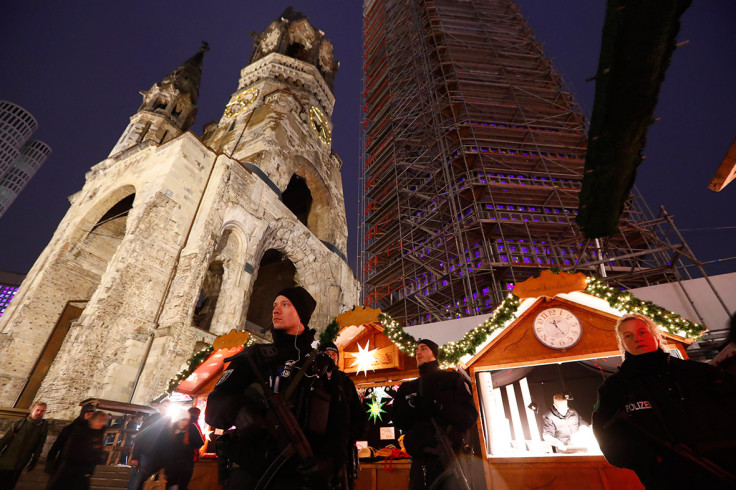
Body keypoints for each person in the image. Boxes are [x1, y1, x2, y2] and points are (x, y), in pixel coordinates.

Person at [206, 286, 348, 489]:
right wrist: (239, 411)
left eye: (285, 304)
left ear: (301, 314)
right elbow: (214, 406)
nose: (276, 310)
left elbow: (339, 424)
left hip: (300, 476)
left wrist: (330, 462)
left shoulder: (322, 365)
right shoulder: (253, 357)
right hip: (250, 474)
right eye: (274, 305)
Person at [592, 313, 736, 489]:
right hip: (666, 481)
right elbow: (607, 436)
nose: (637, 338)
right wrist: (654, 462)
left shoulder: (697, 372)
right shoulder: (614, 388)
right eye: (628, 336)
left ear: (655, 336)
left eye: (642, 332)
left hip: (721, 472)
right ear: (623, 343)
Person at [393, 339, 478, 490]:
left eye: (423, 348)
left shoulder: (453, 380)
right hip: (420, 463)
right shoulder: (407, 387)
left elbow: (469, 417)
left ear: (434, 354)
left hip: (450, 461)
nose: (418, 352)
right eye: (416, 350)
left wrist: (440, 406)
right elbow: (399, 420)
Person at [318, 342, 368, 490]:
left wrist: (348, 435)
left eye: (334, 355)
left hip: (342, 449)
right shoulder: (312, 378)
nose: (331, 357)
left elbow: (358, 414)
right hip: (317, 448)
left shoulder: (345, 382)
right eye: (327, 354)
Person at [45, 410, 109, 490]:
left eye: (104, 421)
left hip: (84, 474)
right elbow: (67, 450)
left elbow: (97, 452)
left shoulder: (98, 435)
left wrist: (99, 458)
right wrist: (50, 460)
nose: (102, 423)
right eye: (100, 420)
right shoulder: (79, 431)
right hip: (68, 471)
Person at [0, 401, 48, 490]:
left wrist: (35, 459)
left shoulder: (42, 427)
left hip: (20, 463)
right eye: (37, 410)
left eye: (42, 411)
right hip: (5, 461)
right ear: (32, 410)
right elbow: (4, 439)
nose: (39, 413)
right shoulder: (19, 424)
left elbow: (40, 445)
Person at [45, 402, 98, 475]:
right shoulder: (70, 429)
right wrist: (49, 463)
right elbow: (56, 446)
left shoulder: (94, 432)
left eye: (93, 415)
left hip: (80, 470)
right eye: (88, 414)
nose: (90, 417)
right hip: (64, 467)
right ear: (83, 414)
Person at [160, 411, 205, 490]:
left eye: (186, 420)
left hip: (185, 467)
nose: (184, 422)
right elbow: (162, 448)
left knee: (181, 486)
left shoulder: (191, 429)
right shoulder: (168, 430)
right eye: (182, 420)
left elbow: (199, 443)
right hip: (170, 467)